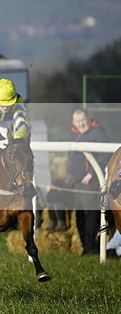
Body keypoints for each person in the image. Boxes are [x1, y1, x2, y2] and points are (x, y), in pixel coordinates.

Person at [67, 108, 110, 255]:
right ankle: (86, 248)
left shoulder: (97, 132)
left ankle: (92, 249)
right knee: (79, 216)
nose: (81, 124)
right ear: (73, 122)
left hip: (91, 183)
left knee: (92, 216)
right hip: (76, 184)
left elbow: (105, 155)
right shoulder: (73, 134)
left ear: (88, 118)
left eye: (83, 120)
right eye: (77, 121)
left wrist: (92, 173)